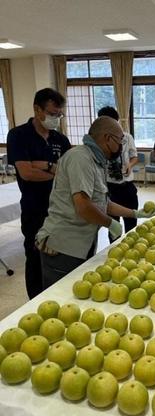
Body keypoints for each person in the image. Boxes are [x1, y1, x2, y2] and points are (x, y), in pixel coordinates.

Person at [36, 116, 155, 289]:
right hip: (63, 245)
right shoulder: (81, 158)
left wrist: (134, 213)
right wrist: (111, 223)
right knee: (60, 296)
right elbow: (83, 206)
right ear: (107, 138)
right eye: (120, 141)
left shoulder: (97, 161)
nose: (122, 146)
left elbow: (103, 203)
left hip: (81, 243)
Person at [6, 88, 71, 299]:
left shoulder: (60, 140)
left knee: (60, 256)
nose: (56, 119)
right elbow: (26, 173)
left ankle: (58, 298)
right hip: (34, 208)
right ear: (37, 109)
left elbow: (69, 173)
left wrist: (46, 166)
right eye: (53, 114)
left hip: (60, 210)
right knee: (35, 258)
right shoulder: (18, 135)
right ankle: (35, 302)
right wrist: (55, 170)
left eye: (59, 115)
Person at [97, 106, 139, 241]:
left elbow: (134, 156)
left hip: (127, 186)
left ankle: (132, 247)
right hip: (110, 188)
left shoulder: (127, 137)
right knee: (113, 226)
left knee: (131, 223)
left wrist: (129, 165)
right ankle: (114, 249)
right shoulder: (97, 142)